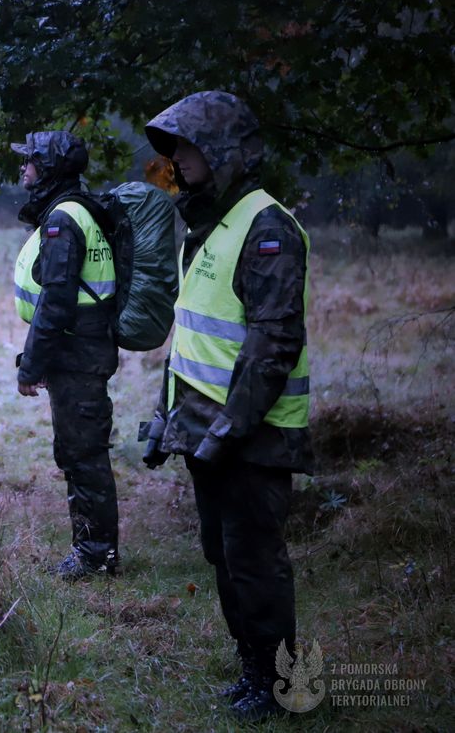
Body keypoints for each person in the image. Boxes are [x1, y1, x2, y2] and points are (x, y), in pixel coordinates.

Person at [141, 91, 312, 721]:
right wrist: (167, 419)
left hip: (254, 436)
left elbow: (274, 343)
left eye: (186, 148)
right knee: (222, 554)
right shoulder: (209, 226)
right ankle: (251, 670)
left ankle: (277, 684)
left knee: (254, 560)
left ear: (224, 153)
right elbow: (193, 336)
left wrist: (230, 427)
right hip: (208, 432)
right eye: (175, 151)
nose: (177, 162)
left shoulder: (266, 228)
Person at [12, 131, 120, 579]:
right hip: (80, 350)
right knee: (78, 451)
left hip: (77, 353)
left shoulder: (62, 219)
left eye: (29, 162)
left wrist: (31, 365)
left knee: (83, 454)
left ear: (49, 168)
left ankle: (96, 555)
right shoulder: (73, 211)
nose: (23, 169)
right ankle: (92, 550)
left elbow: (55, 300)